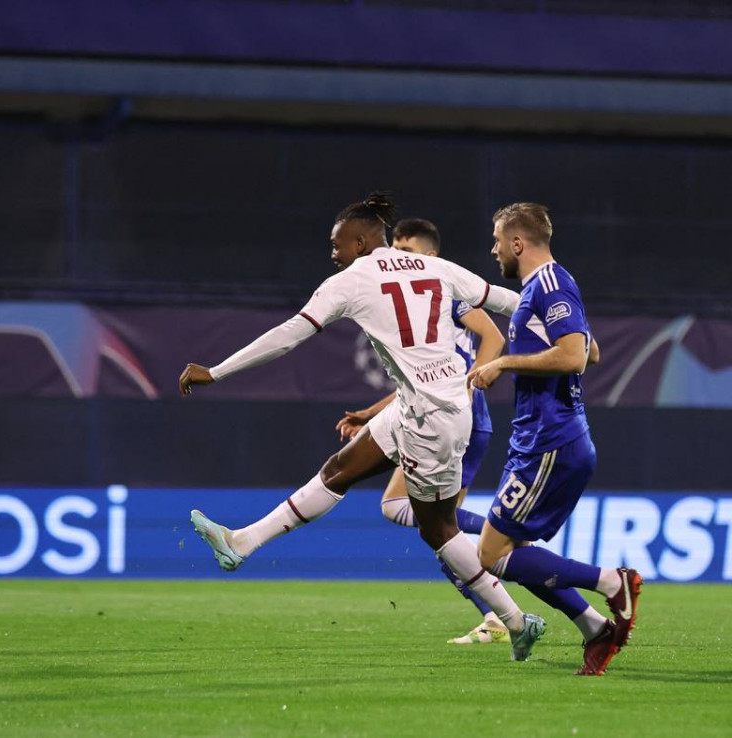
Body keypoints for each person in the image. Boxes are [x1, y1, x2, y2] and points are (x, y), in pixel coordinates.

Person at [179, 192, 548, 662]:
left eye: (337, 245)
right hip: (425, 405)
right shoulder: (436, 267)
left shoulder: (352, 280)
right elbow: (509, 301)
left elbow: (288, 336)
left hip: (433, 418)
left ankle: (515, 621)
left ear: (359, 242)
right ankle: (241, 542)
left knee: (438, 531)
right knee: (339, 470)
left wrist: (216, 371)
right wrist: (565, 326)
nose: (333, 254)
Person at [466, 202, 640, 676]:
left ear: (517, 243)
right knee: (517, 552)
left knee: (491, 555)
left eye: (498, 241)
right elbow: (591, 349)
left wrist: (503, 362)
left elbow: (575, 357)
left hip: (550, 440)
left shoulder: (550, 284)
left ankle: (612, 582)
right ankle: (594, 628)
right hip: (541, 440)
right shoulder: (544, 289)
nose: (494, 249)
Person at [334, 218, 508, 646]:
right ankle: (496, 611)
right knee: (434, 531)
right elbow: (416, 386)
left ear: (430, 256)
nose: (395, 258)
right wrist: (370, 414)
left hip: (455, 419)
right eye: (394, 249)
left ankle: (502, 540)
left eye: (406, 251)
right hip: (432, 415)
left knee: (416, 517)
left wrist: (470, 385)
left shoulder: (445, 291)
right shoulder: (407, 300)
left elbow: (493, 336)